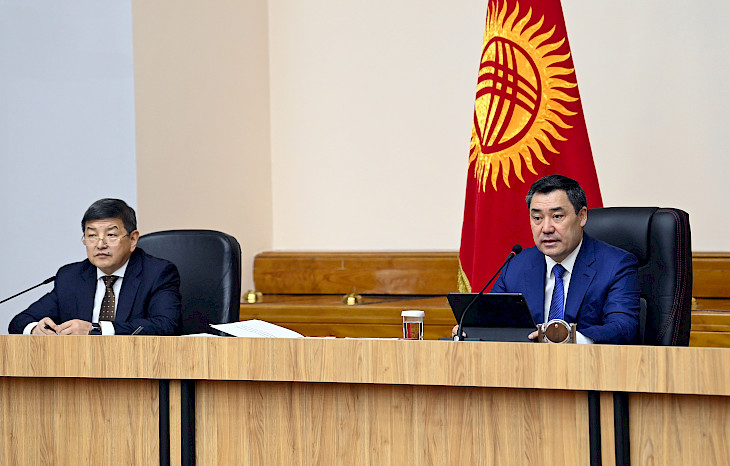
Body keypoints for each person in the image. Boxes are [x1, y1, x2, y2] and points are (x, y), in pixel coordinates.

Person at [454, 174, 640, 344]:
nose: (546, 228)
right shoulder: (516, 265)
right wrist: (472, 330)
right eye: (537, 218)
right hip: (527, 367)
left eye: (557, 216)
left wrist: (567, 338)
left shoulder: (616, 265)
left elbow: (623, 327)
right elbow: (493, 322)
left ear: (582, 216)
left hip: (590, 366)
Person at [8, 199, 181, 336]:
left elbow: (166, 325)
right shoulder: (71, 277)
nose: (100, 244)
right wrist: (35, 329)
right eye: (91, 235)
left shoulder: (157, 273)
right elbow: (20, 321)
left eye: (111, 235)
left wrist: (95, 330)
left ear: (133, 239)